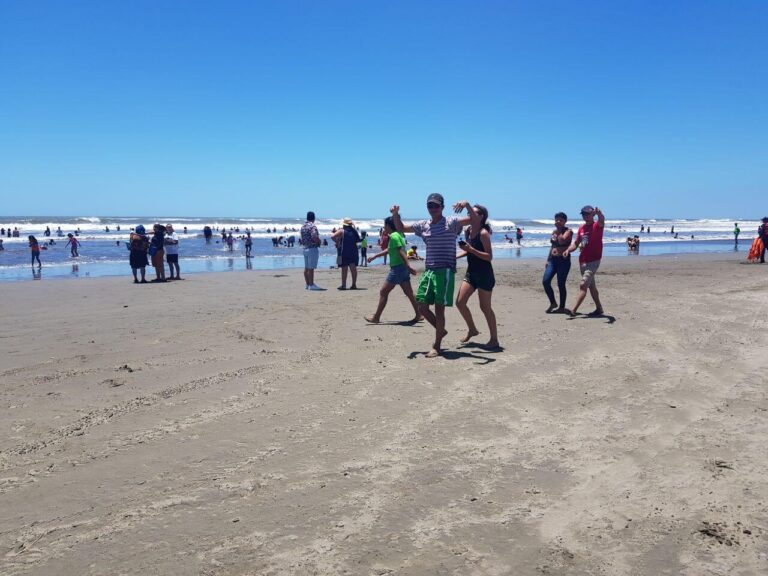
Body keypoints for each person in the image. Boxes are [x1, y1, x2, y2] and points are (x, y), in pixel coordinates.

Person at [392, 194, 479, 358]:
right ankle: (441, 330)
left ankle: (437, 345)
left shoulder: (451, 222)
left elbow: (474, 221)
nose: (433, 209)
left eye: (436, 206)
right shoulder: (423, 225)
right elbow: (401, 228)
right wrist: (395, 214)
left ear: (442, 207)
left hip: (445, 271)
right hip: (429, 270)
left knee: (440, 310)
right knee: (421, 306)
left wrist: (467, 205)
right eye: (430, 206)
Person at [455, 204, 499, 349]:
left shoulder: (483, 233)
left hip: (484, 274)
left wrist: (471, 249)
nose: (469, 216)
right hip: (471, 272)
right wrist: (455, 256)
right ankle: (472, 329)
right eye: (468, 213)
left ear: (481, 217)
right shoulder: (468, 230)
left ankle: (494, 339)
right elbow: (468, 251)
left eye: (472, 213)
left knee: (485, 307)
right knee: (460, 302)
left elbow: (489, 257)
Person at [364, 216, 421, 324]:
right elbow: (390, 249)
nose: (383, 227)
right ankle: (419, 314)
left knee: (383, 291)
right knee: (409, 292)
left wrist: (408, 265)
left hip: (398, 268)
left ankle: (376, 317)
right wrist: (376, 255)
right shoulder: (398, 235)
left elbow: (400, 251)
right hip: (402, 267)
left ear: (388, 226)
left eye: (384, 225)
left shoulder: (394, 236)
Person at [562, 206, 605, 317]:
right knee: (592, 287)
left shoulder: (597, 226)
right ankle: (599, 309)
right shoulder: (581, 228)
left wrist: (599, 214)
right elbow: (576, 244)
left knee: (583, 285)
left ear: (592, 214)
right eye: (583, 214)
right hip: (583, 261)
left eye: (587, 214)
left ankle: (573, 310)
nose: (585, 216)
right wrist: (568, 250)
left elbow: (601, 220)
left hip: (594, 261)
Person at [542, 212, 573, 313]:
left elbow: (562, 240)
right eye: (556, 220)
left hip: (563, 261)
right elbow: (553, 246)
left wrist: (559, 230)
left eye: (560, 220)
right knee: (545, 281)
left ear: (565, 221)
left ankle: (561, 307)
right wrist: (548, 259)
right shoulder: (554, 232)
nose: (558, 221)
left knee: (561, 284)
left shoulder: (568, 231)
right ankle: (553, 302)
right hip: (552, 260)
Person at [331, 218, 361, 290]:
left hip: (344, 251)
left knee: (344, 268)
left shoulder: (342, 231)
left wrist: (337, 242)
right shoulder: (354, 231)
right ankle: (354, 284)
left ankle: (344, 285)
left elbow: (332, 236)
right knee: (353, 268)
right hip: (353, 251)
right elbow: (358, 240)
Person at [301, 211, 323, 290]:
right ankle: (312, 284)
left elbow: (302, 239)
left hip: (305, 248)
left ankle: (307, 284)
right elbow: (314, 236)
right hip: (312, 248)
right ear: (314, 218)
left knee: (306, 268)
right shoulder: (313, 226)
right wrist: (319, 241)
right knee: (311, 268)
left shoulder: (303, 227)